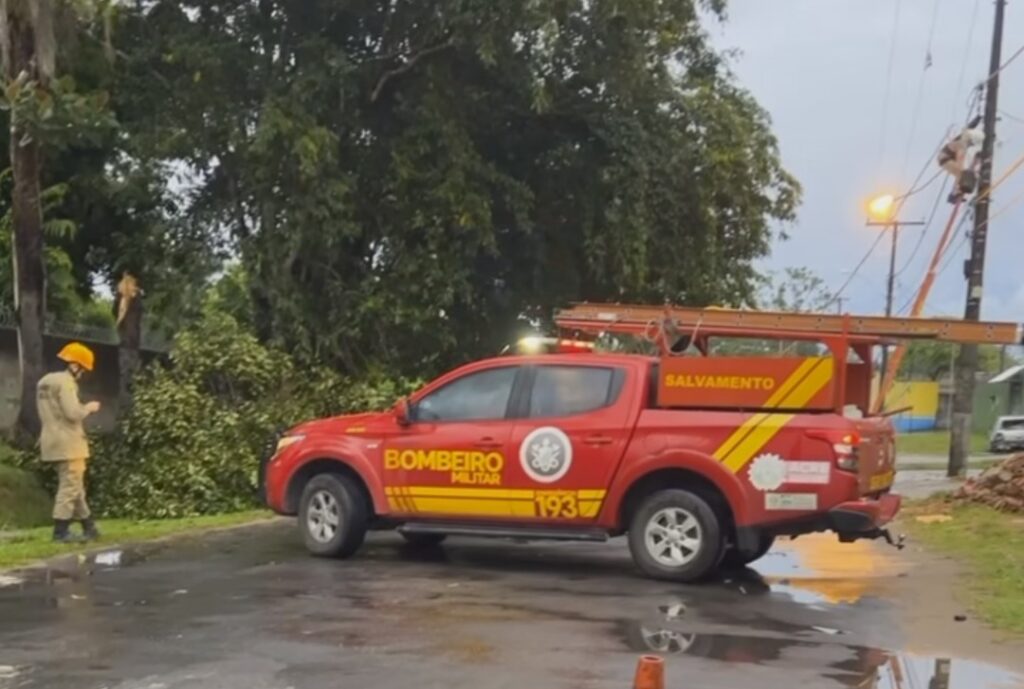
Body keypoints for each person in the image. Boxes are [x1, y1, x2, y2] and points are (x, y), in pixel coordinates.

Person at [37, 342, 102, 543]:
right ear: (75, 365)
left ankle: (89, 526)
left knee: (75, 486)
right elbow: (73, 413)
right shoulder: (66, 383)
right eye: (83, 369)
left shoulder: (45, 381)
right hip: (69, 443)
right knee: (69, 487)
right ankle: (60, 531)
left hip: (51, 440)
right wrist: (89, 408)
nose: (82, 374)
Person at [937, 116, 984, 203]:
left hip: (948, 156)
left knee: (962, 173)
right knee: (961, 173)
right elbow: (960, 162)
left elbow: (968, 128)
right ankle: (954, 194)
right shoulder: (962, 144)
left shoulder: (965, 136)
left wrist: (977, 119)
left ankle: (957, 191)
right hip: (945, 158)